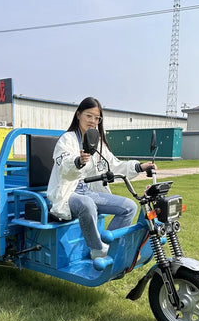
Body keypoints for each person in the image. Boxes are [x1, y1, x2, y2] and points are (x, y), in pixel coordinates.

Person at [47, 97, 157, 259]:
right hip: (67, 192)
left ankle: (110, 247)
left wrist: (139, 167)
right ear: (78, 115)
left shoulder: (97, 144)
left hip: (87, 190)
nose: (93, 121)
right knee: (87, 204)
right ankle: (97, 249)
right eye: (88, 116)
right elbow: (63, 165)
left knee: (129, 207)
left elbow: (114, 165)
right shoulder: (67, 139)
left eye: (97, 118)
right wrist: (78, 161)